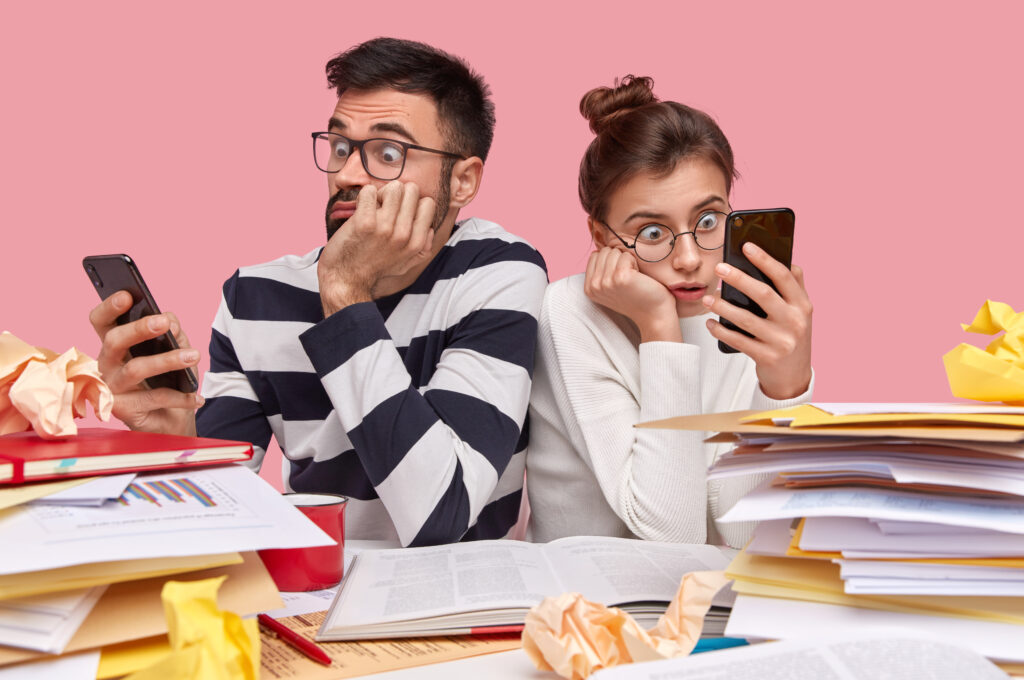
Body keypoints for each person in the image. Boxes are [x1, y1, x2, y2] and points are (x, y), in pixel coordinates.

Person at [88, 38, 548, 547]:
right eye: (341, 146)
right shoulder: (255, 298)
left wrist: (345, 294)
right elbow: (213, 526)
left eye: (388, 153)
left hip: (461, 606)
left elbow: (442, 513)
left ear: (463, 181)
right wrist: (173, 441)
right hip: (311, 594)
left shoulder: (498, 273)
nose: (347, 175)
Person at [526, 76, 814, 548]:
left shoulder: (743, 311)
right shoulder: (569, 310)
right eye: (653, 233)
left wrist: (783, 386)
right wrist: (659, 326)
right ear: (601, 237)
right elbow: (669, 534)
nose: (688, 259)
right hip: (582, 601)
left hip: (697, 604)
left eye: (707, 221)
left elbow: (748, 534)